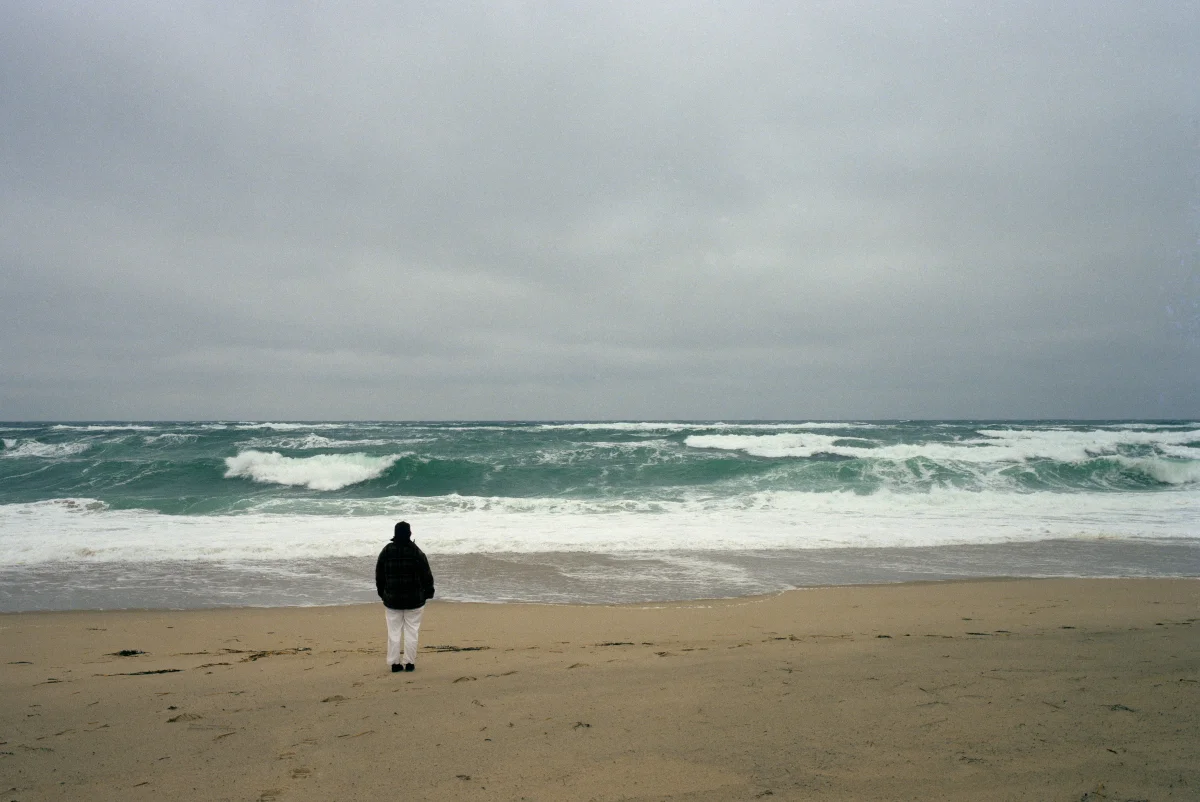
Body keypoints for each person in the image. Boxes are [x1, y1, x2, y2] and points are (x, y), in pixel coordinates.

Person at [375, 520, 435, 673]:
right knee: (412, 631)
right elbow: (426, 575)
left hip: (392, 599)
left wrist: (382, 593)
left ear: (395, 534)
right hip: (414, 600)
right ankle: (409, 663)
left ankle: (394, 664)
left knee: (393, 632)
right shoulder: (416, 552)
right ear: (409, 534)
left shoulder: (387, 551)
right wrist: (428, 592)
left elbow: (379, 575)